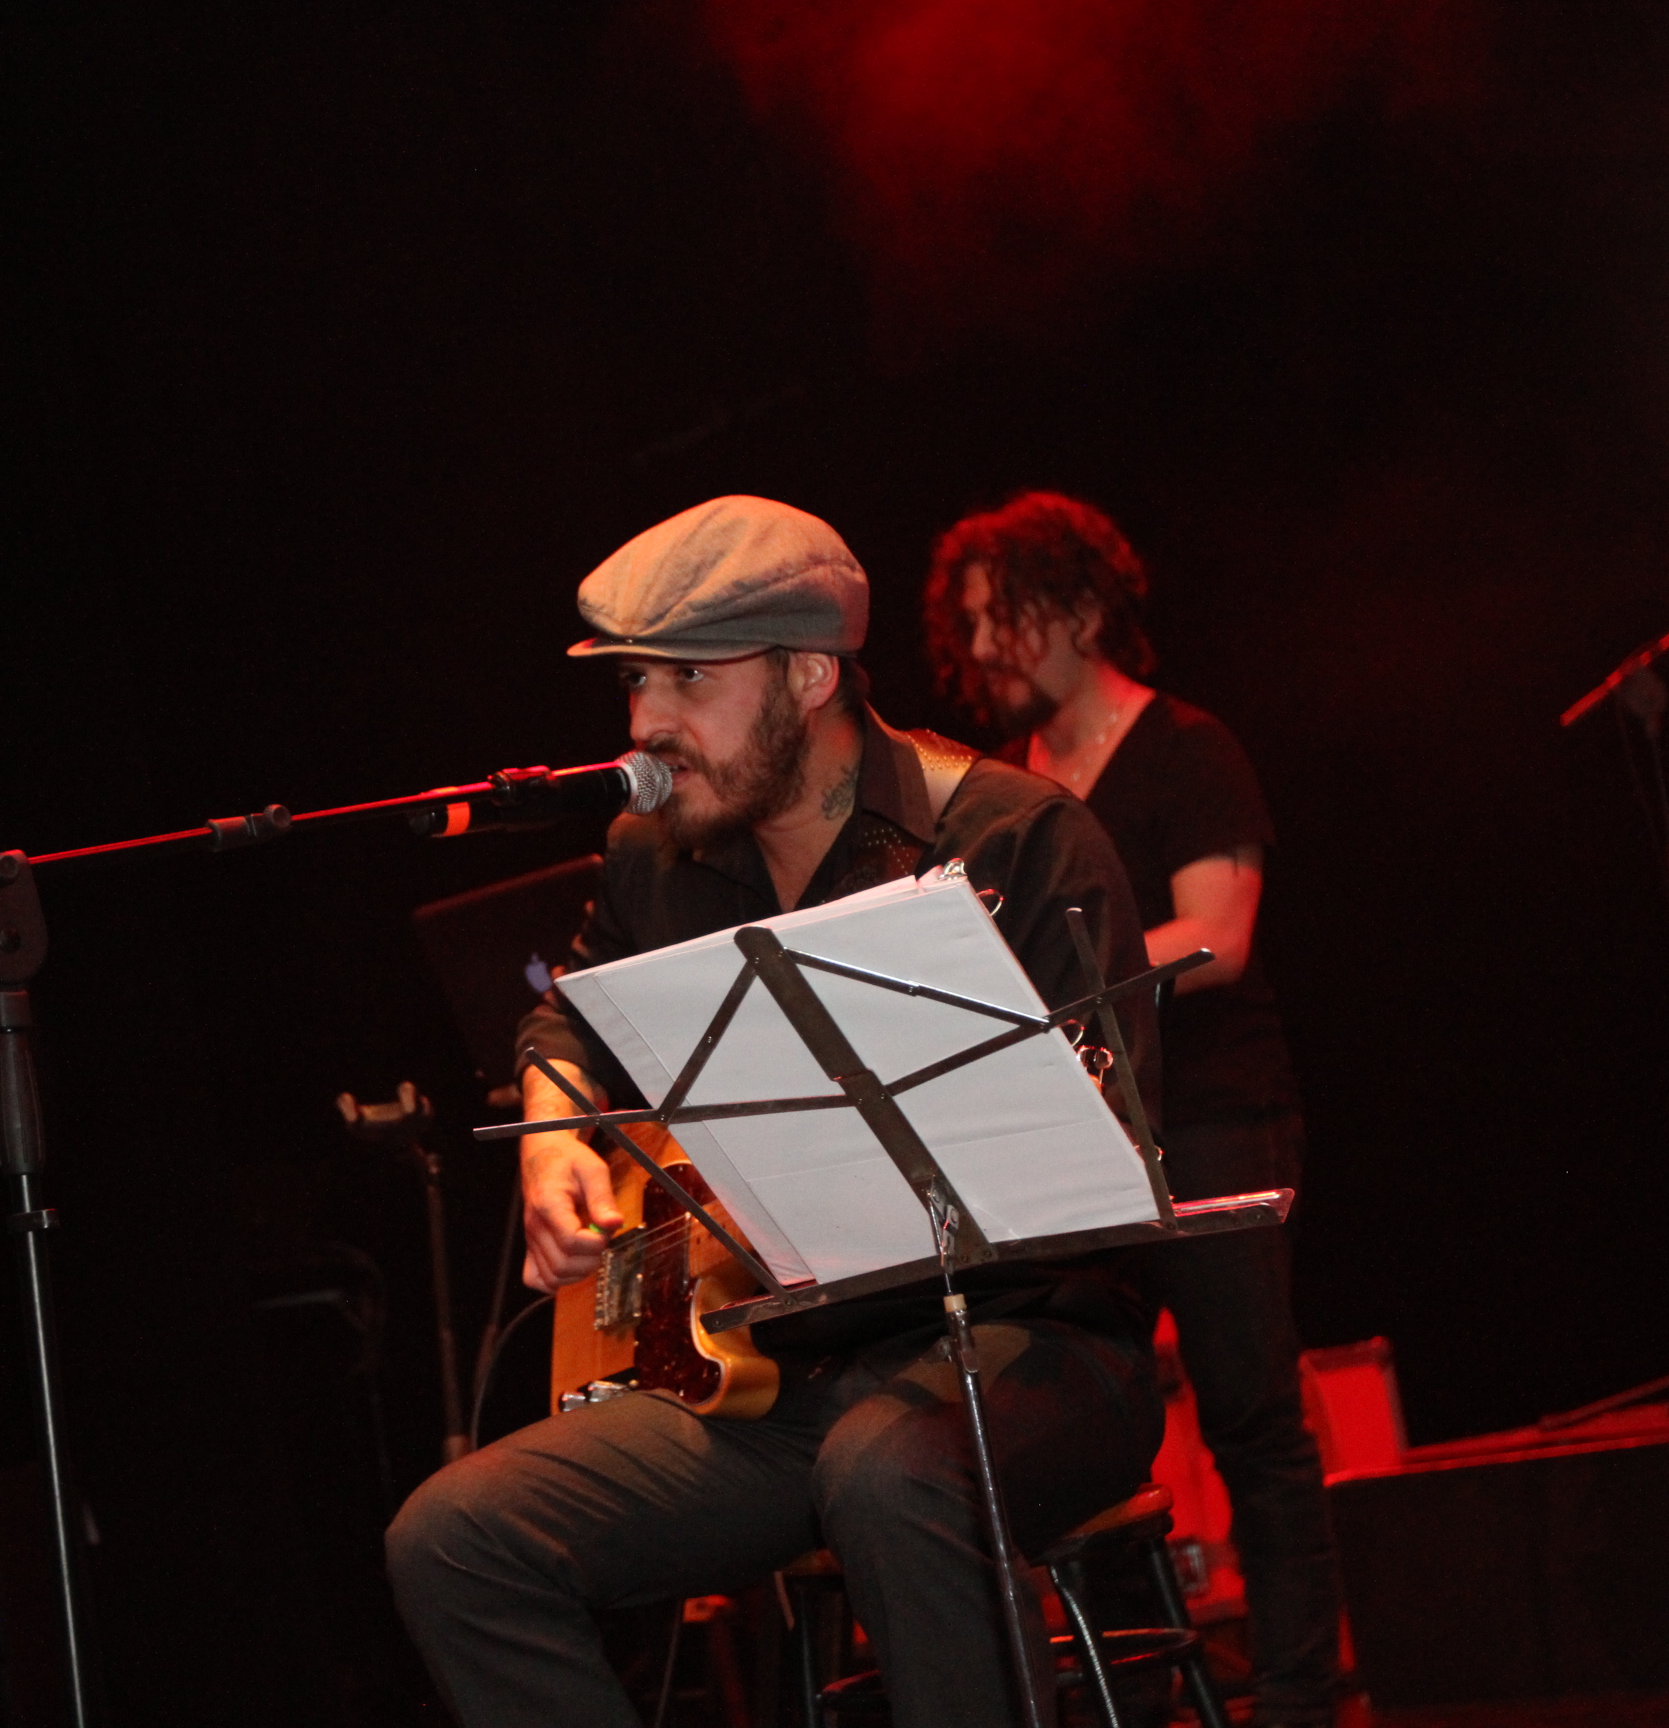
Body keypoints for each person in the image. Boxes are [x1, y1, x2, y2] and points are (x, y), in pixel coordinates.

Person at [387, 496, 1168, 1728]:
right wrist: (553, 1131)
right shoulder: (655, 854)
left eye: (688, 679)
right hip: (790, 1381)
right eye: (635, 682)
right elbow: (565, 1014)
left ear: (811, 675)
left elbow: (1105, 1172)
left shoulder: (1016, 839)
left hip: (1036, 1351)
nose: (646, 724)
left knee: (885, 1472)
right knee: (454, 1537)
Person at [922, 492, 1340, 1728]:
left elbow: (1219, 936)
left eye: (1004, 618)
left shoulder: (1187, 748)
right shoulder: (1002, 790)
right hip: (1077, 1139)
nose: (982, 650)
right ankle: (1134, 1701)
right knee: (1090, 1428)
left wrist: (1053, 981)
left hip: (1211, 1116)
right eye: (970, 625)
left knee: (1252, 1418)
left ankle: (1301, 1701)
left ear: (1081, 608)